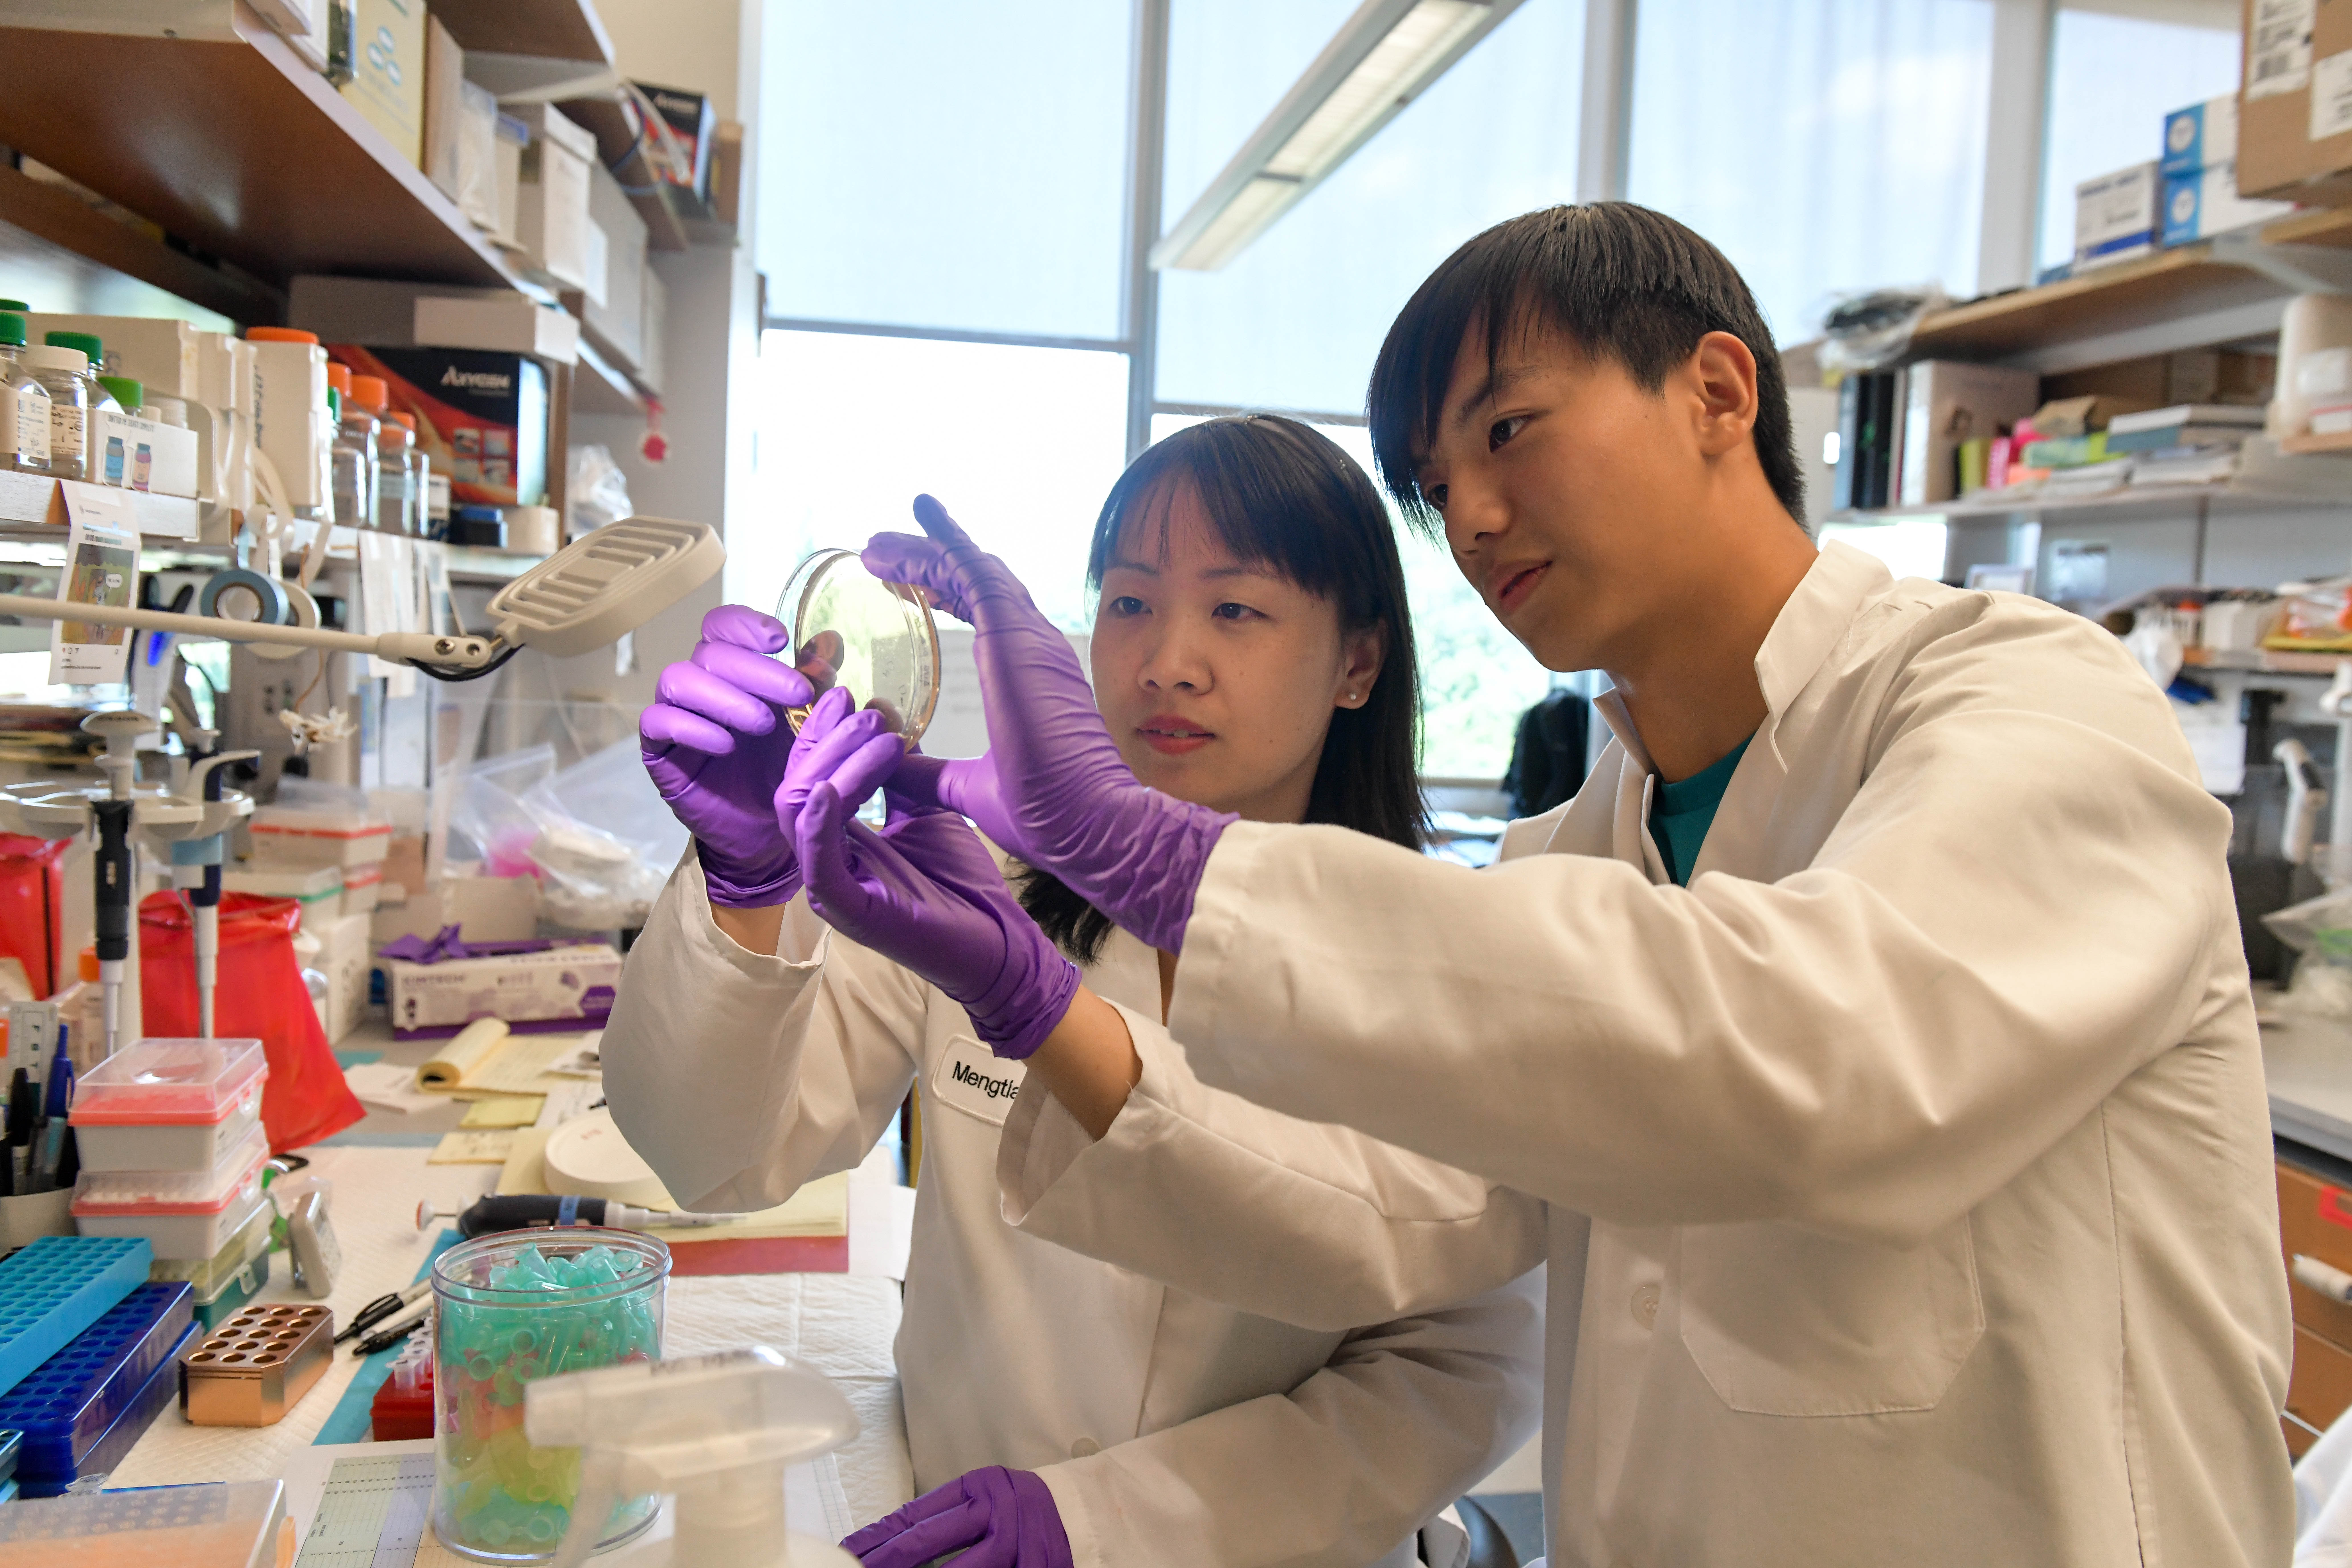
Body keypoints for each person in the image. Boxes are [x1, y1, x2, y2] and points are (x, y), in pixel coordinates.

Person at [783, 204, 2296, 1566]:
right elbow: (1387, 1223)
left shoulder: (2029, 708)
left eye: (1510, 430)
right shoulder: (1577, 847)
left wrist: (1158, 860)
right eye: (1439, 485)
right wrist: (1030, 992)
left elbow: (1819, 1052)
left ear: (1717, 392)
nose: (1477, 516)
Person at [606, 414, 1546, 1568]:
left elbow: (1466, 1363)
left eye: (1237, 609)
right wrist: (747, 884)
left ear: (1358, 661)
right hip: (955, 1527)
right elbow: (713, 1152)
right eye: (1131, 602)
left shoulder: (1441, 953)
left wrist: (1111, 1519)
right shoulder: (968, 884)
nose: (1167, 661)